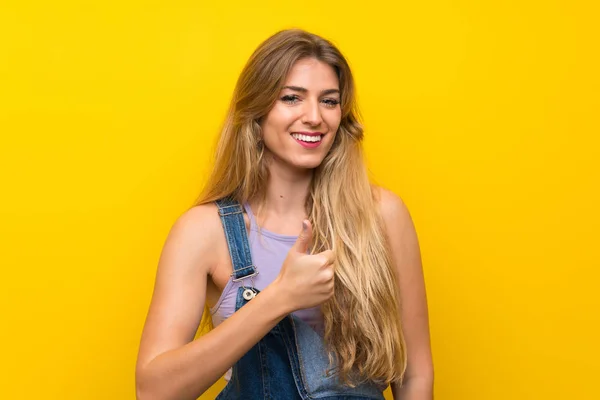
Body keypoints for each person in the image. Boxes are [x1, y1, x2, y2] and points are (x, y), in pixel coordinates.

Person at [135, 28, 433, 400]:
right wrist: (279, 298)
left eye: (329, 101)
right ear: (256, 113)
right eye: (292, 98)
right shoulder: (203, 231)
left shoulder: (383, 216)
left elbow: (415, 373)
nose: (314, 117)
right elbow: (154, 391)